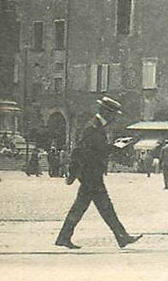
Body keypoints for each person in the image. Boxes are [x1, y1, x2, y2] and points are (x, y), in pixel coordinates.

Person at [55, 97, 141, 250]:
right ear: (106, 112)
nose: (115, 117)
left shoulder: (96, 127)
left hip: (91, 174)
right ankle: (122, 237)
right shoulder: (93, 128)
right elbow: (91, 152)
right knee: (104, 207)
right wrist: (115, 147)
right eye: (113, 114)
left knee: (86, 207)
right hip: (91, 174)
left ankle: (64, 237)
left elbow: (94, 150)